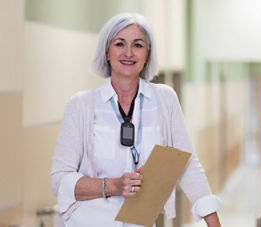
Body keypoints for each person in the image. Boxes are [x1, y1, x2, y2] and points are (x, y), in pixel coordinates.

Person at [50, 13, 221, 227]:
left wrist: (213, 222)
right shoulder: (81, 105)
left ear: (148, 54)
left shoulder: (164, 99)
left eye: (138, 45)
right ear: (106, 52)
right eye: (119, 44)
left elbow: (187, 165)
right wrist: (113, 185)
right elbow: (59, 180)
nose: (129, 53)